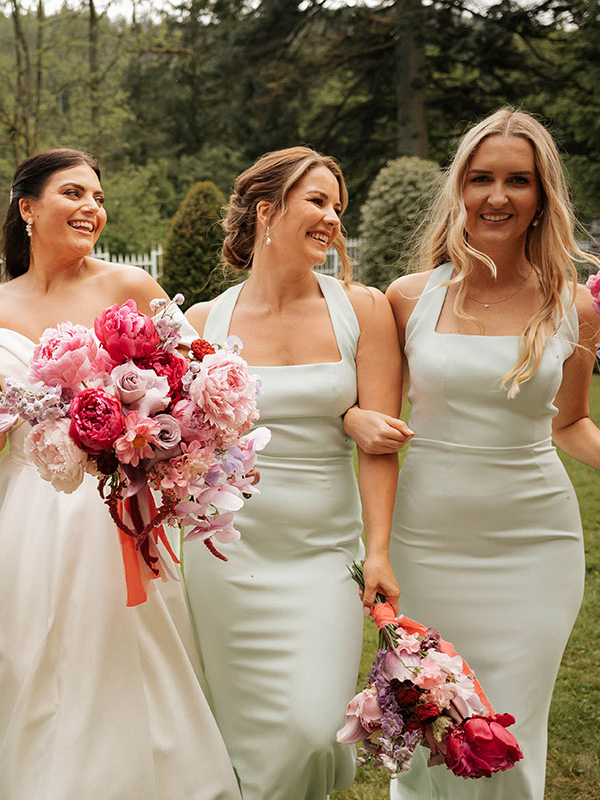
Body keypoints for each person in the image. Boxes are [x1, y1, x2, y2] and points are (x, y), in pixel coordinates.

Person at [342, 108, 600, 799]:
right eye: (481, 178)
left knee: (511, 730)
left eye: (517, 180)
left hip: (535, 543)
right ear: (459, 190)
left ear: (541, 196)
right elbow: (368, 411)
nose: (497, 195)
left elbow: (570, 422)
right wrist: (353, 418)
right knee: (435, 723)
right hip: (427, 540)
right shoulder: (409, 298)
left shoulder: (574, 305)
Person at [0, 148, 240, 800]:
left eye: (98, 198)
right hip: (24, 504)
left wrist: (147, 442)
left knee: (128, 650)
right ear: (27, 207)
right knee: (16, 646)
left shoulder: (128, 287)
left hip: (119, 504)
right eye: (73, 193)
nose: (91, 208)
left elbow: (189, 392)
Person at [181, 147, 402, 799]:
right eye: (318, 201)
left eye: (338, 206)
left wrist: (379, 549)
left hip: (322, 556)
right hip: (225, 562)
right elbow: (182, 448)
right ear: (266, 211)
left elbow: (382, 442)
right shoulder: (202, 324)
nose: (332, 217)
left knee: (311, 730)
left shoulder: (362, 310)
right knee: (235, 736)